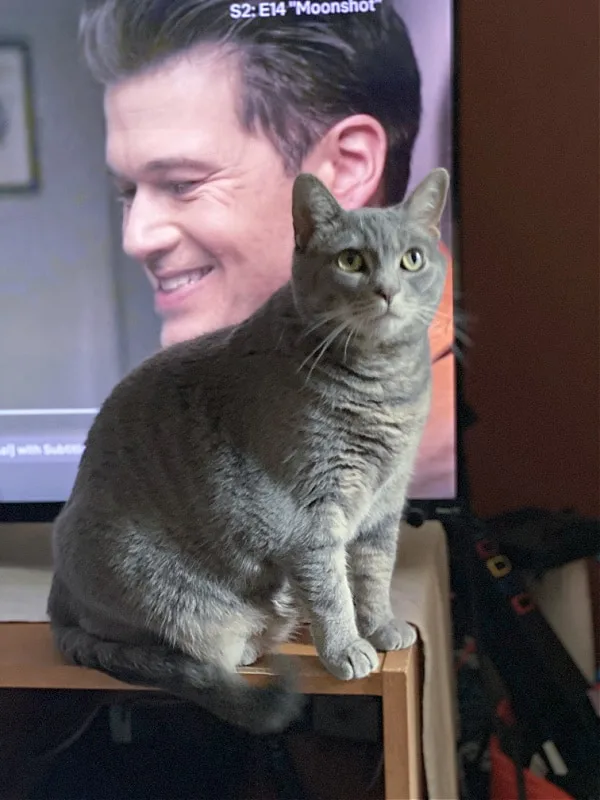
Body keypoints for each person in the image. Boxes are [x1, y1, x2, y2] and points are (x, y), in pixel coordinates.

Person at [79, 0, 455, 498]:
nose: (136, 238)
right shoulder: (264, 383)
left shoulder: (421, 447)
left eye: (182, 182)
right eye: (128, 192)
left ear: (345, 167)